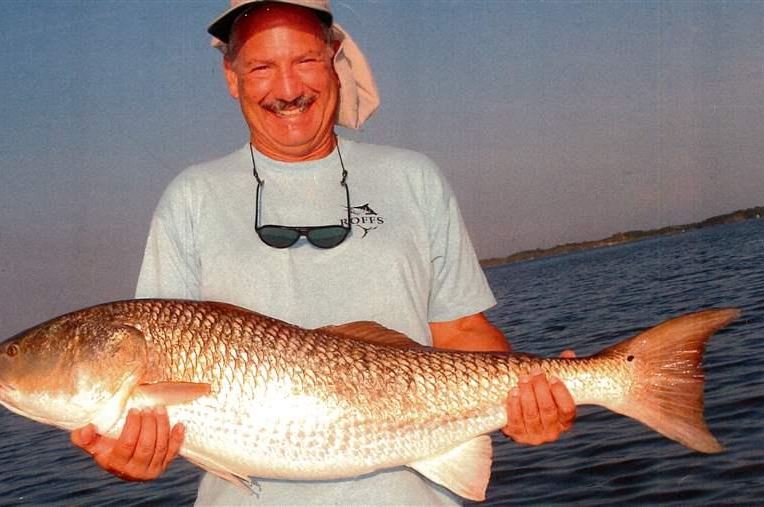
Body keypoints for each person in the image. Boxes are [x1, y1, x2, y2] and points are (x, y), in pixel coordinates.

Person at [71, 1, 576, 504]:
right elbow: (153, 405)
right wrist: (133, 458)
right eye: (262, 67)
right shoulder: (189, 199)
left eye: (305, 61)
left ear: (335, 57)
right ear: (231, 76)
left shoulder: (413, 178)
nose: (288, 90)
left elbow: (463, 332)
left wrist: (528, 406)